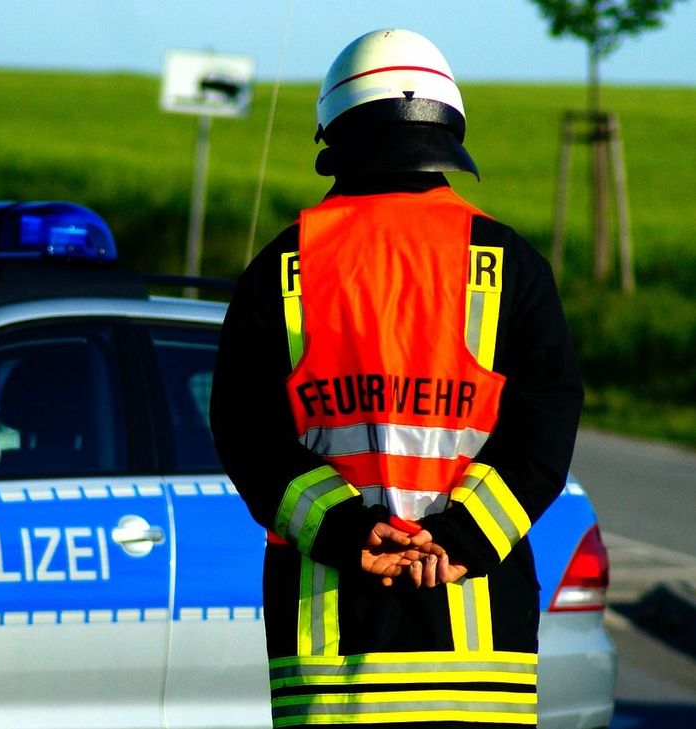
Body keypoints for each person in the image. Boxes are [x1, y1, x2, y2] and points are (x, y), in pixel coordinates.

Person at [209, 29, 583, 728]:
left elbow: (246, 435)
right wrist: (460, 540)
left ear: (333, 130)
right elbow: (545, 431)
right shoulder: (509, 264)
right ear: (448, 127)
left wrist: (349, 531)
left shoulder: (284, 268)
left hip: (330, 660)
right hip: (478, 658)